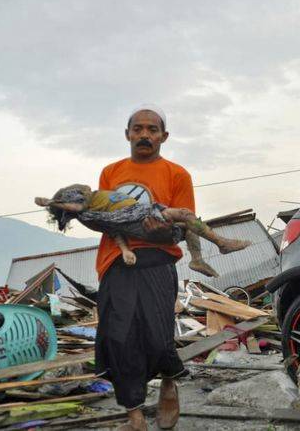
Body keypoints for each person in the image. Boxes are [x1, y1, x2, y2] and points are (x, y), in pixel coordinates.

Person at [93, 104, 193, 430]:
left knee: (157, 334)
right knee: (118, 337)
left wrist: (162, 232)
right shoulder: (110, 172)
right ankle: (134, 413)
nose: (145, 135)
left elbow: (185, 225)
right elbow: (104, 217)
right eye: (138, 129)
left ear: (164, 136)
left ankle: (168, 384)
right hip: (117, 259)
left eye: (152, 130)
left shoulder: (177, 175)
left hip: (158, 260)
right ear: (127, 135)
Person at [34, 184, 250, 277]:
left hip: (141, 211)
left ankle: (197, 259)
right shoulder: (87, 213)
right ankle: (222, 244)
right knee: (184, 214)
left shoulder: (96, 199)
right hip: (138, 217)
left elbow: (109, 227)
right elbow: (110, 227)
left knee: (189, 224)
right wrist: (53, 203)